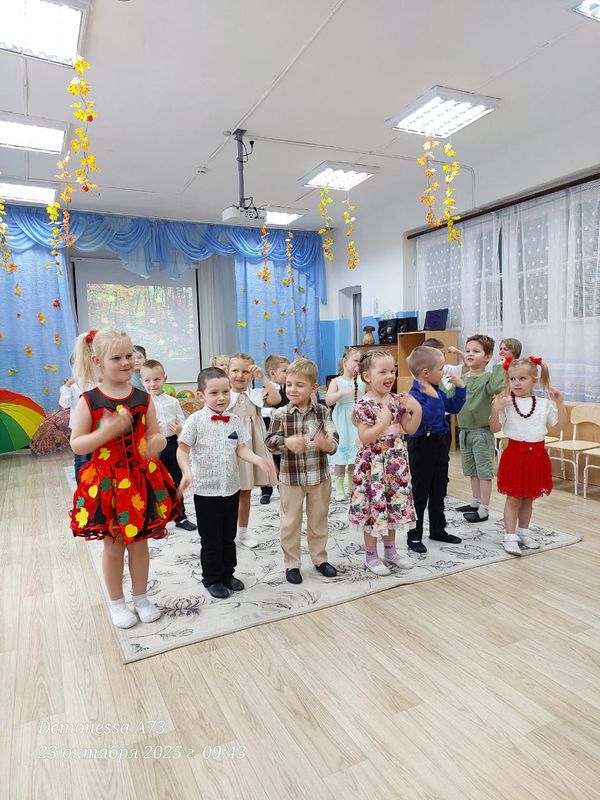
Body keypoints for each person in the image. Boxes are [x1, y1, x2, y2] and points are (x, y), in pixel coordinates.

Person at [69, 329, 182, 629]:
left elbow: (155, 435)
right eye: (116, 357)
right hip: (107, 484)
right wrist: (106, 431)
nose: (125, 362)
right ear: (98, 362)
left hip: (139, 481)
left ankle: (141, 598)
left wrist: (156, 444)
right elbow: (77, 444)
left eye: (129, 356)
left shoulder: (143, 398)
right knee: (114, 544)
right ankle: (117, 603)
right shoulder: (89, 400)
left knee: (140, 543)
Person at [178, 367, 276, 598]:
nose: (221, 397)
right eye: (214, 393)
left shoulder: (234, 420)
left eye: (225, 391)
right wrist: (186, 472)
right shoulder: (195, 421)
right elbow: (182, 450)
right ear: (201, 395)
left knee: (228, 535)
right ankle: (212, 579)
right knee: (211, 538)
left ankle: (228, 573)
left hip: (231, 487)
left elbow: (241, 448)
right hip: (206, 490)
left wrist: (258, 459)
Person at [265, 358, 339, 584]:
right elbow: (269, 441)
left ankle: (320, 559)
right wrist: (286, 442)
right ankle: (292, 563)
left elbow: (334, 439)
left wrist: (327, 444)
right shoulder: (280, 414)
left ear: (313, 388)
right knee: (290, 523)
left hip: (319, 477)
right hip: (291, 479)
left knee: (319, 520)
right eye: (288, 384)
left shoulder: (322, 412)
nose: (292, 389)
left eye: (299, 385)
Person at [349, 350, 422, 575]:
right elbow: (365, 437)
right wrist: (383, 422)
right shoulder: (363, 405)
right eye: (383, 372)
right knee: (374, 507)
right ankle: (371, 556)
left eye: (392, 370)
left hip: (395, 463)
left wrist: (416, 408)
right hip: (372, 466)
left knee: (393, 505)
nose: (390, 375)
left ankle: (391, 551)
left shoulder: (396, 400)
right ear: (367, 376)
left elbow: (409, 429)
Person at [490, 356, 567, 555]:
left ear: (534, 380)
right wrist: (495, 410)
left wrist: (560, 404)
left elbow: (561, 426)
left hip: (537, 456)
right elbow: (494, 428)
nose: (516, 383)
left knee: (528, 498)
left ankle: (523, 532)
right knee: (514, 498)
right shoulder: (506, 403)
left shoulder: (543, 404)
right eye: (512, 379)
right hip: (515, 455)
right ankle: (509, 536)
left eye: (522, 378)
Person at [406, 346, 466, 553]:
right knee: (420, 492)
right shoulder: (414, 395)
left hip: (440, 444)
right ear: (426, 372)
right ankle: (414, 535)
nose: (444, 372)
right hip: (422, 445)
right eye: (441, 368)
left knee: (439, 489)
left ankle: (438, 530)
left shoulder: (437, 391)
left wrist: (461, 388)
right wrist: (431, 398)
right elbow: (427, 418)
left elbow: (453, 407)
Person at [227, 352, 280, 547]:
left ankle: (242, 533)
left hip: (251, 446)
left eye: (245, 371)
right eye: (235, 370)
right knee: (228, 493)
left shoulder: (256, 394)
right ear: (227, 372)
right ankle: (227, 533)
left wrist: (262, 378)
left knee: (245, 491)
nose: (240, 375)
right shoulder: (224, 395)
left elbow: (276, 398)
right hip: (229, 447)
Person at [140, 358, 196, 532]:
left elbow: (183, 422)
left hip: (171, 445)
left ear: (164, 379)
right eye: (147, 380)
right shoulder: (142, 402)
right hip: (152, 448)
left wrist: (179, 429)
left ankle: (180, 516)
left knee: (177, 481)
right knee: (154, 483)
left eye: (156, 379)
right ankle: (156, 520)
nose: (152, 384)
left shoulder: (173, 401)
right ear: (141, 382)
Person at [455, 334, 505, 523]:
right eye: (467, 350)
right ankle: (475, 501)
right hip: (464, 431)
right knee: (472, 470)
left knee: (484, 472)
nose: (470, 354)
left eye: (476, 351)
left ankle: (484, 508)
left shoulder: (489, 378)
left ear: (487, 357)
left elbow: (496, 387)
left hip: (481, 432)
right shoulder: (462, 378)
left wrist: (499, 366)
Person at [325, 347, 366, 501]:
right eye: (355, 361)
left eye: (361, 362)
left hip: (357, 420)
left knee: (354, 456)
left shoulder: (362, 380)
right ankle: (339, 488)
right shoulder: (336, 381)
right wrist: (342, 392)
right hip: (342, 420)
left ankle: (352, 485)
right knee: (341, 457)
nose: (358, 364)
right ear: (345, 362)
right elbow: (328, 401)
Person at [60, 332, 98, 480]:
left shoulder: (98, 382)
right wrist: (66, 387)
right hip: (79, 428)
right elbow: (64, 404)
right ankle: (82, 486)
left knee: (97, 458)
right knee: (82, 459)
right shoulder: (73, 384)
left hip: (97, 427)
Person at [260, 354, 290, 505]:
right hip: (270, 431)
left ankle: (283, 487)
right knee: (270, 460)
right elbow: (260, 409)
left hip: (285, 430)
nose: (288, 374)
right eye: (285, 371)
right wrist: (271, 411)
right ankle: (266, 490)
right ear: (272, 374)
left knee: (282, 459)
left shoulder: (289, 389)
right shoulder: (266, 390)